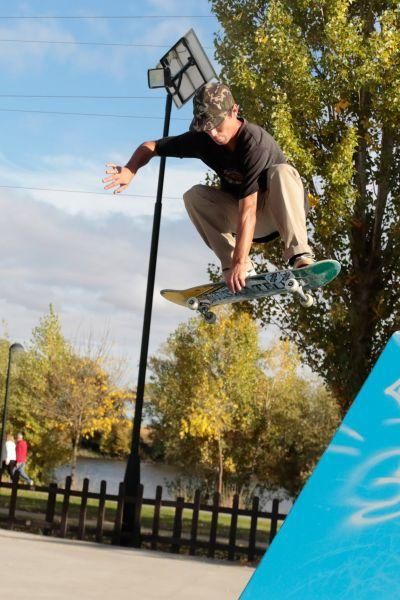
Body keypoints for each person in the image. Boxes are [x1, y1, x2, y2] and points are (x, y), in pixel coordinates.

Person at [103, 82, 315, 293]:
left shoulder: (255, 143)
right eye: (206, 126)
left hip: (281, 212)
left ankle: (300, 256)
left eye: (217, 124)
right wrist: (131, 169)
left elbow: (248, 209)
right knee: (193, 196)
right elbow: (152, 146)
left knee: (282, 172)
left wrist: (242, 259)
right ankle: (234, 266)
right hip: (249, 224)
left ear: (234, 111)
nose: (213, 133)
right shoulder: (203, 139)